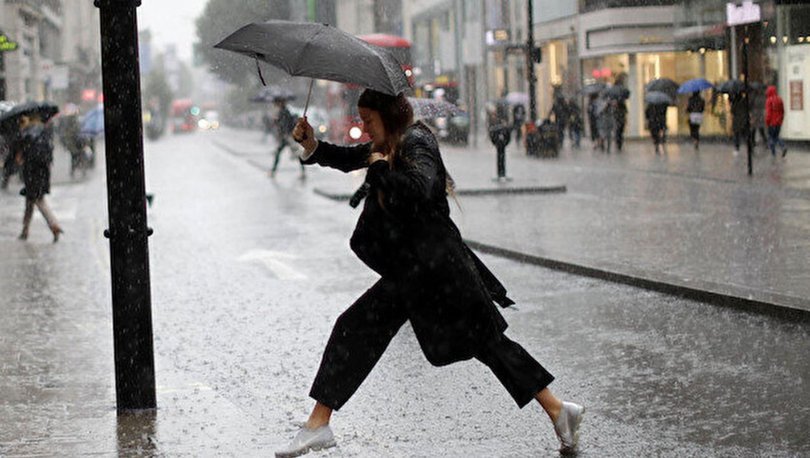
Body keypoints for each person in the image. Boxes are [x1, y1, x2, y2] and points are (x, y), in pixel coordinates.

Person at [276, 89, 585, 457]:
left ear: (388, 116)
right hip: (418, 269)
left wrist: (378, 168)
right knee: (365, 329)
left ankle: (557, 410)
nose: (364, 125)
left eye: (369, 118)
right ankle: (318, 422)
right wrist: (312, 145)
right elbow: (345, 157)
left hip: (440, 271)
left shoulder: (416, 141)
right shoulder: (389, 142)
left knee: (485, 345)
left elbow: (419, 191)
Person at [14, 113, 63, 242]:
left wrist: (21, 156)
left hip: (31, 174)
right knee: (29, 203)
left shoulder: (26, 135)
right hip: (42, 173)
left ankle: (54, 225)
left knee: (39, 201)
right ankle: (25, 231)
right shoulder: (42, 132)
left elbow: (19, 157)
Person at [269, 97, 305, 179]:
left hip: (288, 137)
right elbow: (283, 124)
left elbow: (285, 125)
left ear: (280, 103)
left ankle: (273, 171)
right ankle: (273, 171)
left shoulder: (284, 111)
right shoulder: (283, 111)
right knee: (281, 153)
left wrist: (278, 124)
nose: (275, 105)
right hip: (287, 137)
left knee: (294, 154)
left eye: (276, 103)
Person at [487, 99, 511, 176]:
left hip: (499, 140)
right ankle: (501, 172)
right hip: (501, 139)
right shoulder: (500, 117)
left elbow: (492, 129)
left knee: (500, 156)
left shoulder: (496, 117)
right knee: (501, 156)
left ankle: (501, 172)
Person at [765, 85, 787, 157]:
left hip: (771, 122)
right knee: (776, 136)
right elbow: (782, 111)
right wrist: (780, 120)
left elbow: (768, 113)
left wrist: (767, 121)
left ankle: (773, 153)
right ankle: (783, 146)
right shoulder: (779, 99)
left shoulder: (769, 100)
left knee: (771, 137)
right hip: (778, 122)